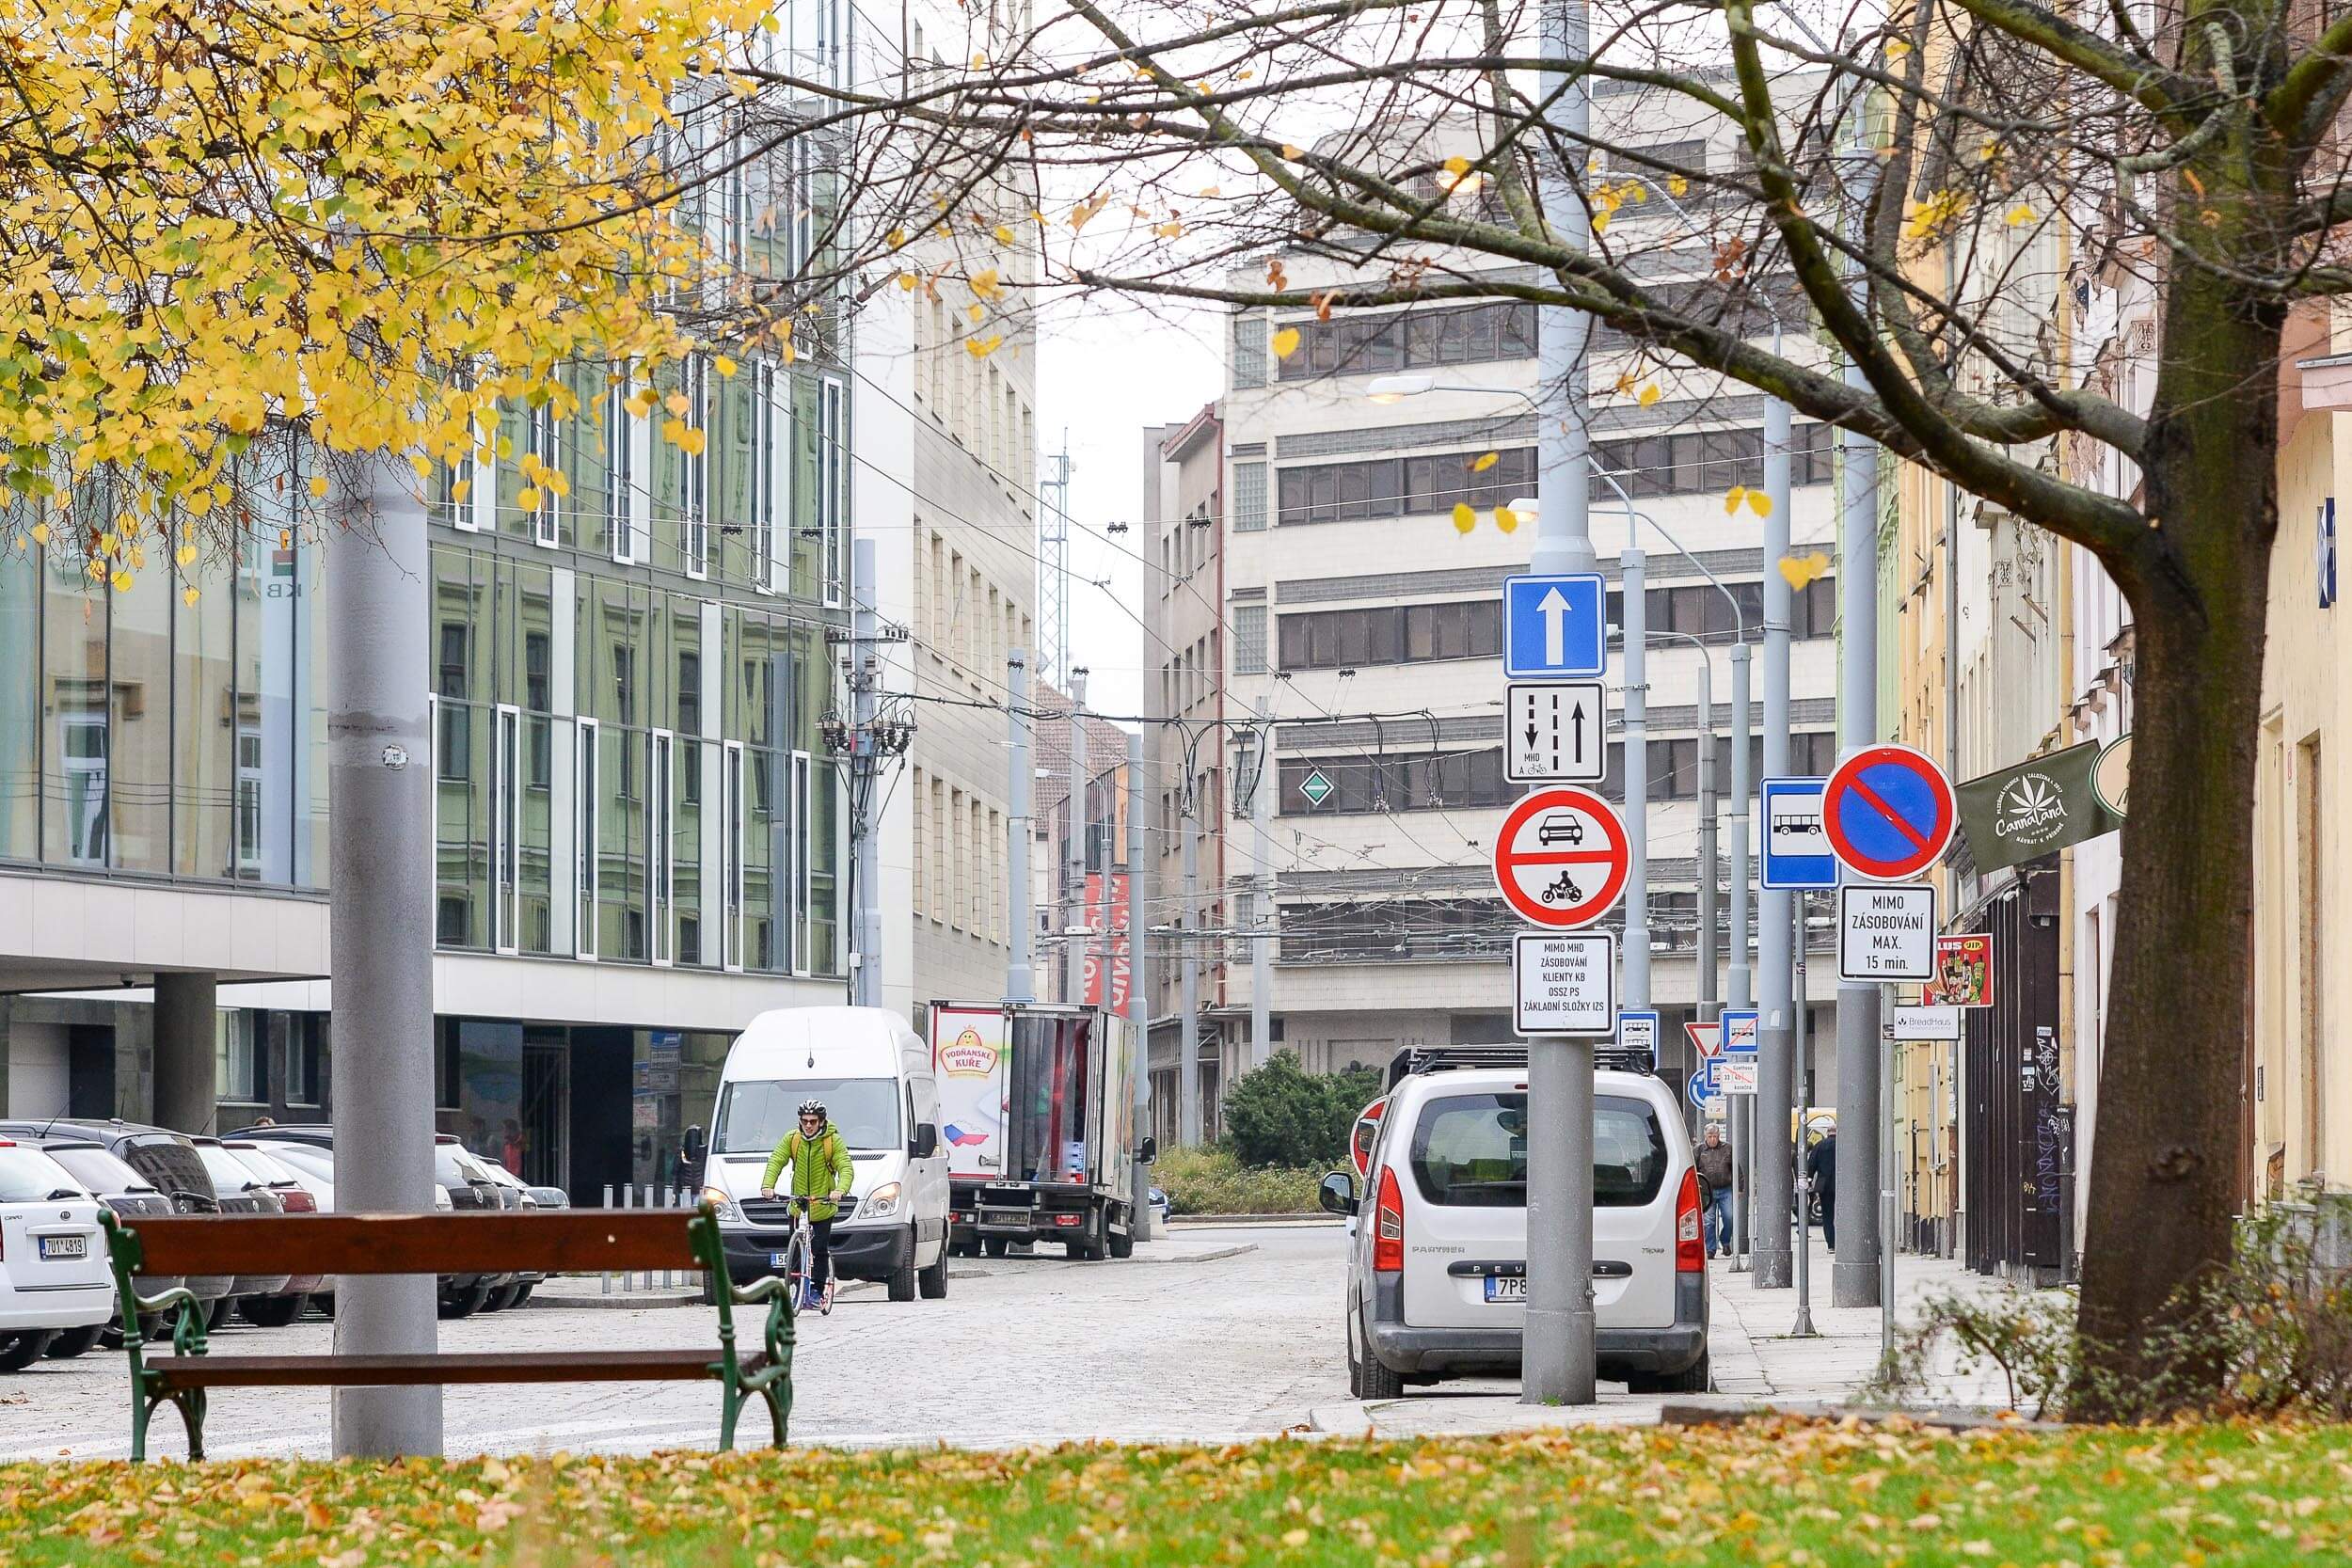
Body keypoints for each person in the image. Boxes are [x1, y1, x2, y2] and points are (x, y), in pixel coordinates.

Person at [761, 1099, 854, 1310]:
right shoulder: (792, 1139)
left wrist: (840, 1190)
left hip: (823, 1206)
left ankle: (816, 1290)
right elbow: (776, 1160)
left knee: (819, 1249)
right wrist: (768, 1185)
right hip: (798, 1205)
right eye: (805, 1121)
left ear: (822, 1122)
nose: (809, 1125)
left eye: (813, 1121)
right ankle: (795, 1287)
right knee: (795, 1250)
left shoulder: (832, 1141)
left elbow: (845, 1166)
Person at [1694, 1123, 1735, 1259]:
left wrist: (1739, 1187)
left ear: (1719, 1136)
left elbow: (1736, 1168)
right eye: (1710, 1136)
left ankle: (1725, 1241)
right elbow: (1694, 1169)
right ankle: (1710, 1249)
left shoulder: (1727, 1148)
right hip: (1707, 1191)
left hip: (1725, 1189)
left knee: (1729, 1217)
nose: (1713, 1139)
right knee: (1709, 1221)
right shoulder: (1699, 1150)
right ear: (1705, 1136)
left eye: (1715, 1136)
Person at [1804, 1129, 1838, 1253]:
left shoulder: (1819, 1146)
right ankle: (1844, 1242)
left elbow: (1811, 1164)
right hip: (1842, 1185)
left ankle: (1831, 1245)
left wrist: (1808, 1183)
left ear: (1827, 1133)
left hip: (1824, 1186)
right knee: (1843, 1215)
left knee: (1828, 1216)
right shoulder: (1843, 1145)